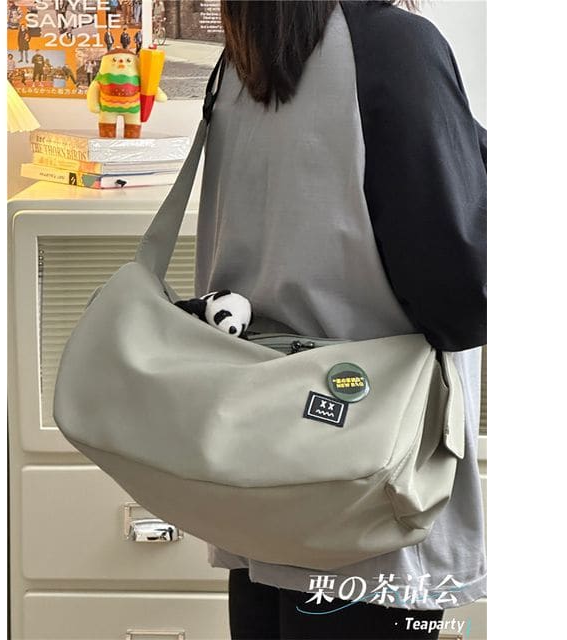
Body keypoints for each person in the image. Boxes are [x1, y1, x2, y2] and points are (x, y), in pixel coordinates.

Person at [195, 2, 487, 639]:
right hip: (369, 493)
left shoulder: (244, 61)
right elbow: (462, 301)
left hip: (263, 479)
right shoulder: (395, 48)